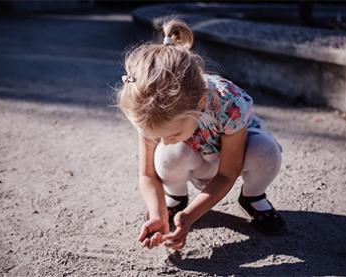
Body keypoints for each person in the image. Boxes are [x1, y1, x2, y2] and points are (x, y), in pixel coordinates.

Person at [116, 18, 285, 250]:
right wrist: (158, 214)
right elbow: (147, 175)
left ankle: (253, 197)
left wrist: (189, 217)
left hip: (230, 158)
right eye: (158, 136)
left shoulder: (229, 102)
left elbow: (228, 173)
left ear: (201, 103)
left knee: (265, 151)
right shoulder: (148, 105)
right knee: (167, 154)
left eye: (172, 133)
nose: (162, 141)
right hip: (193, 158)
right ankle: (174, 198)